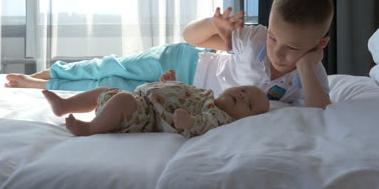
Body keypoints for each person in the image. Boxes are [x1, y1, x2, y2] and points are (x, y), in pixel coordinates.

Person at [7, 0, 333, 109]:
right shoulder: (254, 39)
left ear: (320, 43)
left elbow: (320, 111)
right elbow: (190, 37)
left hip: (180, 88)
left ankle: (46, 85)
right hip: (182, 60)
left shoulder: (311, 74)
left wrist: (306, 63)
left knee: (113, 85)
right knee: (111, 65)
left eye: (292, 48)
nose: (277, 52)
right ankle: (49, 74)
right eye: (274, 37)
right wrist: (214, 25)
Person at [43, 70, 269, 137]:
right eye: (243, 90)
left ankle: (90, 128)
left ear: (243, 120)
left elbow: (204, 125)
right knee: (103, 91)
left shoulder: (220, 116)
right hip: (141, 99)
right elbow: (183, 94)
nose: (241, 96)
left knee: (122, 100)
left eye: (248, 105)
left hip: (145, 115)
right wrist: (170, 84)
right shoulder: (206, 94)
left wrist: (189, 122)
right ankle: (65, 105)